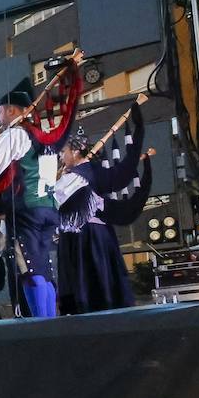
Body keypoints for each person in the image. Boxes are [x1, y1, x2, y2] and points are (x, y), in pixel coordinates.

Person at [0, 71, 78, 318]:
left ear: (12, 111)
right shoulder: (44, 138)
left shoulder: (15, 134)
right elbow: (47, 180)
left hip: (25, 212)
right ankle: (49, 321)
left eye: (0, 111)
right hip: (47, 210)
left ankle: (41, 324)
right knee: (43, 270)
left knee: (28, 270)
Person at [53, 119, 145, 314]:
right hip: (93, 235)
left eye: (64, 151)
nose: (61, 156)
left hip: (86, 238)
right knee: (101, 282)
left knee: (88, 284)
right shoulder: (90, 172)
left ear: (76, 151)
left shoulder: (78, 176)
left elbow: (56, 200)